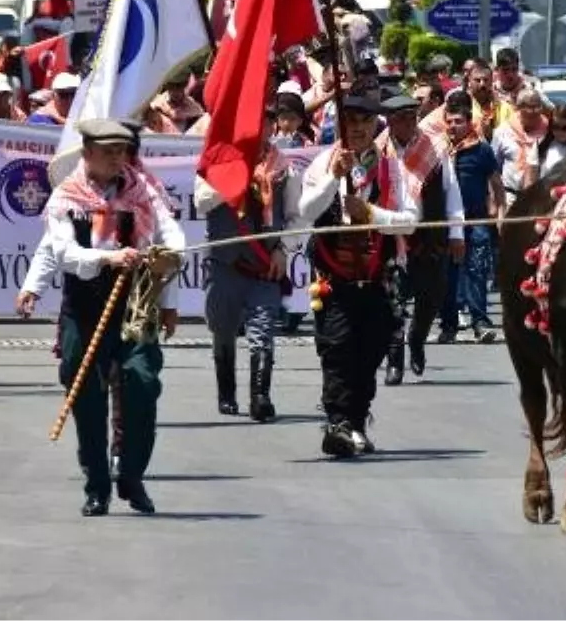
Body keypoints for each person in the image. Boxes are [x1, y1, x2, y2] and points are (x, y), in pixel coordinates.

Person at [45, 119, 185, 516]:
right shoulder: (65, 197)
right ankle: (96, 485)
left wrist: (169, 252)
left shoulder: (144, 192)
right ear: (87, 152)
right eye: (107, 150)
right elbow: (64, 255)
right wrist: (107, 257)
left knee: (142, 382)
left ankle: (132, 473)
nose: (116, 158)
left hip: (134, 305)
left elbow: (171, 233)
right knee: (85, 394)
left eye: (121, 151)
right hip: (86, 306)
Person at [297, 92, 420, 457]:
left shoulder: (393, 169)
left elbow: (410, 223)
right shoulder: (323, 163)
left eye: (365, 122)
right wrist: (334, 180)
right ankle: (336, 423)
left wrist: (371, 214)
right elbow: (306, 211)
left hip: (378, 277)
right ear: (341, 125)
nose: (358, 129)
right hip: (334, 278)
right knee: (337, 349)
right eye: (351, 122)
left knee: (370, 352)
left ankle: (356, 419)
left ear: (374, 126)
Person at [196, 104, 302, 421]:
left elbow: (296, 217)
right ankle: (226, 392)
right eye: (254, 123)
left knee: (263, 330)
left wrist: (284, 249)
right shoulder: (219, 160)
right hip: (225, 264)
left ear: (273, 129)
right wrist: (233, 180)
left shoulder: (284, 168)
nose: (260, 130)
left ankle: (261, 397)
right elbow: (201, 202)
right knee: (223, 330)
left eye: (266, 124)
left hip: (264, 265)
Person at [376, 89, 465, 382]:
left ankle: (417, 338)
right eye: (401, 118)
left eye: (412, 117)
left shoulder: (435, 147)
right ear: (389, 121)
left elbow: (451, 190)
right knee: (393, 301)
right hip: (389, 235)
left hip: (428, 235)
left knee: (432, 296)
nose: (408, 123)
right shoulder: (377, 150)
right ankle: (394, 360)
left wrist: (456, 233)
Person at [441, 91, 505, 343]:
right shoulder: (438, 149)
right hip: (445, 223)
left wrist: (500, 213)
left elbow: (496, 184)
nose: (453, 126)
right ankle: (449, 325)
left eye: (459, 121)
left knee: (477, 271)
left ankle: (480, 322)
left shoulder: (482, 149)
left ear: (469, 123)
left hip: (476, 219)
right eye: (450, 121)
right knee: (447, 274)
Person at [524, 102, 566, 187]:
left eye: (564, 128)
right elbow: (530, 181)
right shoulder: (540, 146)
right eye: (555, 127)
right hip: (546, 197)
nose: (560, 132)